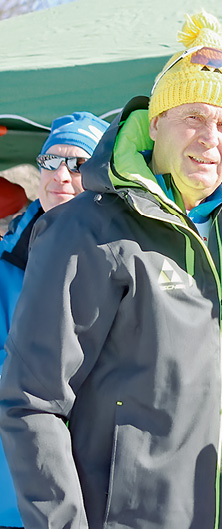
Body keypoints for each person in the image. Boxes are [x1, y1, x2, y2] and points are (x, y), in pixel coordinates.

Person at [0, 11, 222, 529]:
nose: (209, 138)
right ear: (155, 123)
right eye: (193, 118)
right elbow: (31, 403)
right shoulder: (86, 229)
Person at [0, 111, 109, 529]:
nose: (60, 175)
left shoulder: (139, 259)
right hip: (19, 488)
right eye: (50, 161)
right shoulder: (6, 266)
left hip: (113, 486)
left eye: (79, 164)